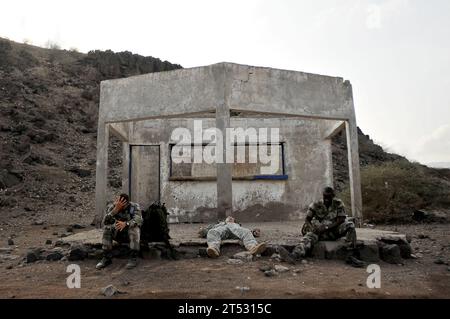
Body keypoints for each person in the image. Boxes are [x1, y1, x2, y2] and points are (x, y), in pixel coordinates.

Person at [286, 187, 357, 261]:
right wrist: (312, 228)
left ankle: (351, 255)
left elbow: (341, 219)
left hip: (334, 231)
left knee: (350, 225)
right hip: (319, 232)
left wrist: (326, 227)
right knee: (307, 238)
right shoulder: (316, 204)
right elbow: (307, 219)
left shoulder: (338, 203)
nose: (326, 199)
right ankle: (294, 255)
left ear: (333, 196)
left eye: (329, 197)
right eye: (325, 196)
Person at [96, 193, 143, 270]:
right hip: (117, 233)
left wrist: (126, 223)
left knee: (135, 228)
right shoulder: (114, 206)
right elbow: (104, 222)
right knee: (108, 228)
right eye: (118, 202)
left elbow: (139, 219)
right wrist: (115, 210)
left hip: (130, 235)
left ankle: (133, 258)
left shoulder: (134, 206)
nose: (119, 204)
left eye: (122, 203)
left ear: (127, 203)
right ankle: (107, 258)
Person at [200, 216, 266, 258]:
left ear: (234, 220)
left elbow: (246, 233)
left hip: (235, 232)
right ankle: (213, 249)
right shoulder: (219, 224)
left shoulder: (236, 225)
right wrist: (202, 231)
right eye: (229, 217)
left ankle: (253, 247)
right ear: (225, 220)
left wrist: (255, 232)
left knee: (246, 231)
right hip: (222, 230)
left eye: (232, 218)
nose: (230, 218)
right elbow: (206, 231)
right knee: (212, 231)